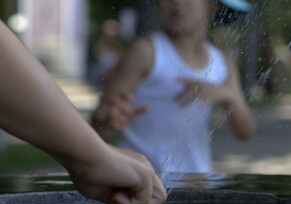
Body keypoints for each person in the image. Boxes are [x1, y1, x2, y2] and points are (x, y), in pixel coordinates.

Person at [0, 20, 167, 204]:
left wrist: (91, 157)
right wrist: (93, 155)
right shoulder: (147, 50)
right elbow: (104, 111)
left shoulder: (214, 60)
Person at [91, 0, 255, 174]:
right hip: (140, 182)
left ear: (215, 5)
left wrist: (228, 95)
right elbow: (97, 123)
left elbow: (245, 132)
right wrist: (108, 119)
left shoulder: (223, 65)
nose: (176, 2)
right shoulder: (146, 52)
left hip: (195, 183)